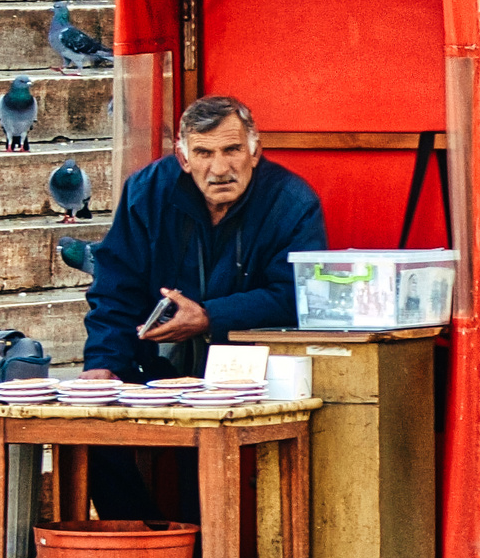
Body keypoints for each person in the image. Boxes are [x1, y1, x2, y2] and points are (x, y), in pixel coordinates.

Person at [79, 95, 326, 517]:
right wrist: (103, 363)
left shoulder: (292, 200)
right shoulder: (147, 191)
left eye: (231, 150)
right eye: (204, 153)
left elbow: (296, 295)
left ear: (254, 150)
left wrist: (210, 316)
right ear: (184, 157)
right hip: (156, 365)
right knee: (88, 426)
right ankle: (148, 543)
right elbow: (114, 287)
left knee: (207, 446)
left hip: (249, 373)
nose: (220, 168)